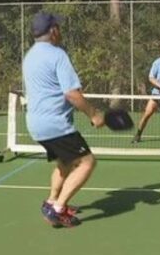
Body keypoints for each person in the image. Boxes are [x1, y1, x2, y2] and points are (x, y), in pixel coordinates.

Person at [23, 11, 105, 228]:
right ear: (52, 31)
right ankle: (58, 209)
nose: (60, 30)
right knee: (87, 162)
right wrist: (94, 114)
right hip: (55, 125)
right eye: (57, 27)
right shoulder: (57, 55)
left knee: (65, 162)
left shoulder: (29, 56)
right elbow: (71, 94)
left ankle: (51, 201)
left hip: (35, 124)